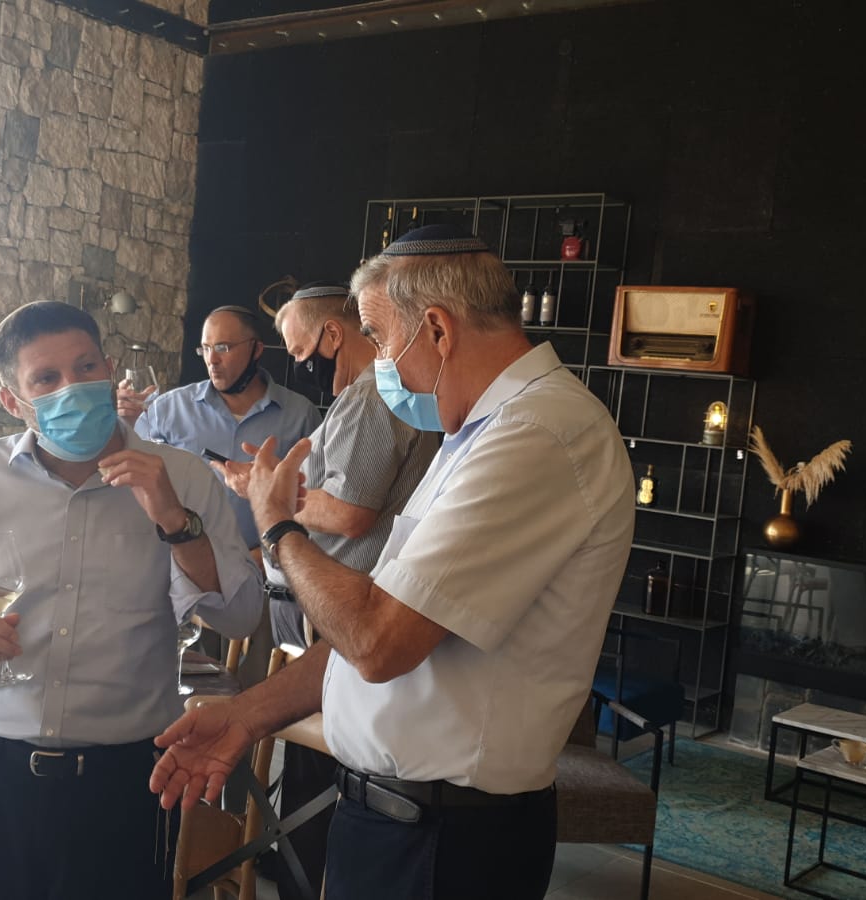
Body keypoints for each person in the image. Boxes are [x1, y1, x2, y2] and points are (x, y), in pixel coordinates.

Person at [149, 225, 636, 899]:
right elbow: (386, 620)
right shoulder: (475, 434)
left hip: (445, 839)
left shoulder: (539, 434)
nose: (376, 363)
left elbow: (377, 642)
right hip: (405, 822)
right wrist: (245, 715)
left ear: (436, 329)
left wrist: (279, 524)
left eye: (377, 337)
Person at [0, 300, 262, 900]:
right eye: (46, 378)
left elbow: (241, 616)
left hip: (129, 778)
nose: (73, 387)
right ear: (13, 400)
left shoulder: (183, 477)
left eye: (86, 366)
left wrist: (175, 522)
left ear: (109, 369)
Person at [216, 281, 439, 899]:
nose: (298, 365)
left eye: (299, 351)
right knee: (312, 776)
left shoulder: (371, 397)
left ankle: (299, 879)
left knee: (319, 780)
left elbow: (349, 513)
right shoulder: (373, 397)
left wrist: (269, 498)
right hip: (327, 613)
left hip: (337, 613)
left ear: (333, 335)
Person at [119, 304, 322, 551]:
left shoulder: (301, 415)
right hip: (181, 560)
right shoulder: (167, 409)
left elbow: (316, 502)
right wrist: (124, 423)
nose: (212, 360)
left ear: (256, 349)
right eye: (205, 348)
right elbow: (126, 472)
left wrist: (267, 558)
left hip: (265, 564)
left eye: (223, 348)